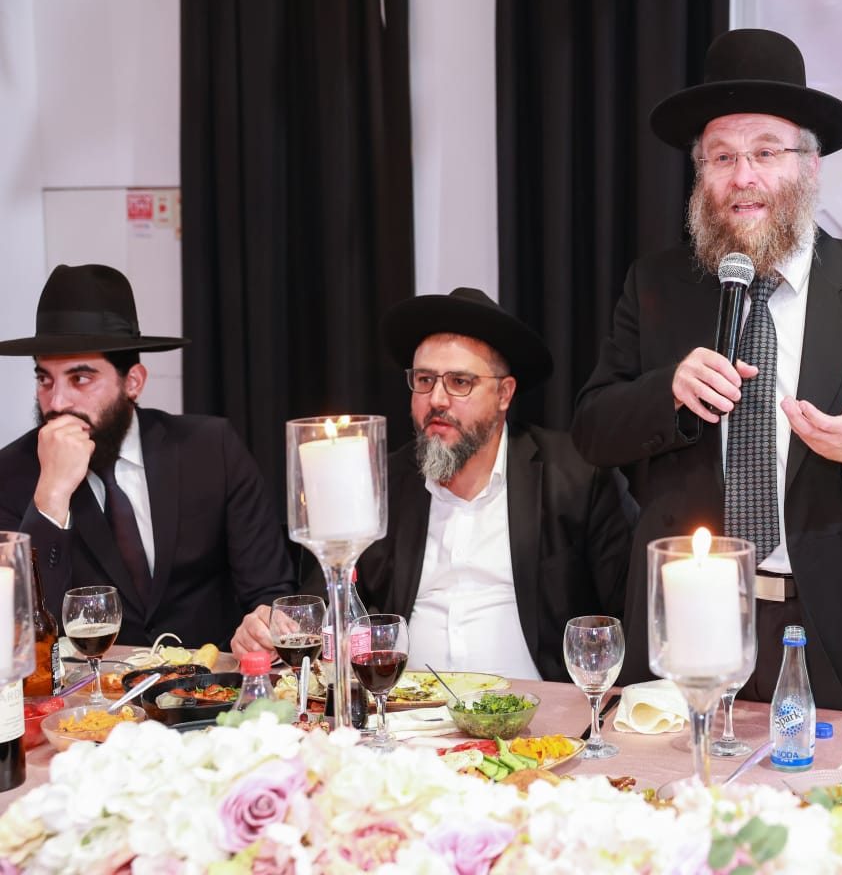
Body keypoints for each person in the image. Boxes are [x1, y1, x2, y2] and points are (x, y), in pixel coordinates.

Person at [571, 29, 842, 715]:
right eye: (722, 157)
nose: (743, 177)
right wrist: (666, 393)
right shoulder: (657, 284)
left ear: (810, 167)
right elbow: (591, 428)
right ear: (701, 174)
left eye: (766, 152)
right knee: (671, 783)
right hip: (691, 620)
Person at [233, 288, 633, 683]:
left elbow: (629, 618)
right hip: (404, 711)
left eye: (459, 382)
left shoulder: (576, 477)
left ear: (504, 394)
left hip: (543, 714)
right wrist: (270, 628)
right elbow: (323, 609)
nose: (437, 399)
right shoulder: (379, 482)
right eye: (424, 380)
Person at [0, 264, 295, 648]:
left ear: (133, 382)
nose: (56, 402)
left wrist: (261, 626)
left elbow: (270, 592)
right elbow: (17, 630)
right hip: (91, 685)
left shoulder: (211, 448)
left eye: (80, 379)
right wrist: (51, 497)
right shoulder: (13, 472)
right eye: (44, 379)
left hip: (214, 679)